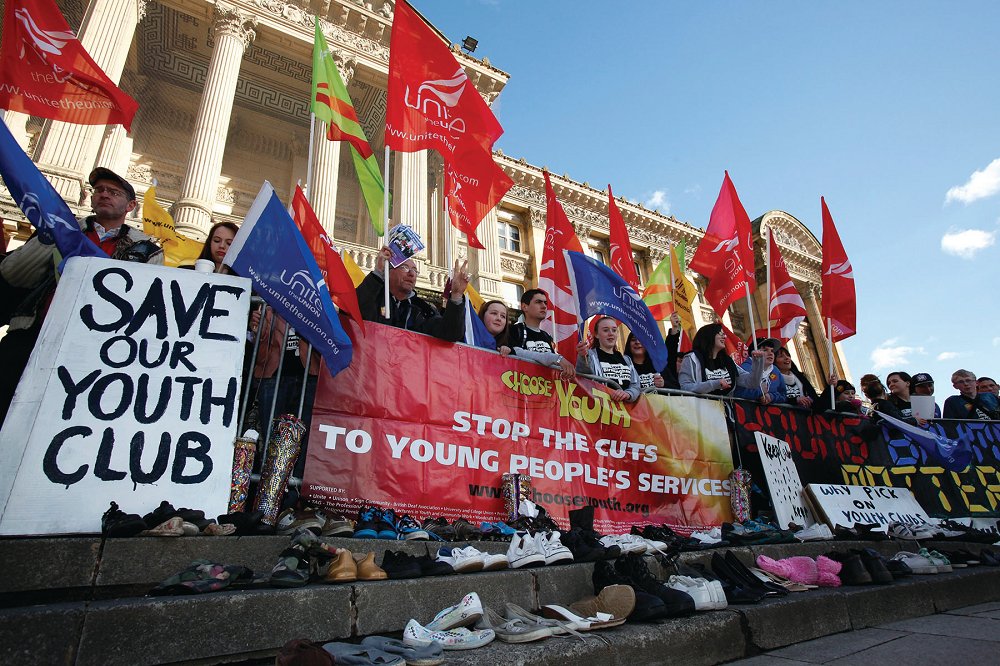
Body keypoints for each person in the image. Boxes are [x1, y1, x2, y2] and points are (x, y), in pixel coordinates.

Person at [0, 167, 164, 427]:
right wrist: (52, 238)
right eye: (99, 190)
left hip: (92, 351)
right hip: (33, 335)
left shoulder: (146, 251)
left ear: (131, 205)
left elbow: (144, 307)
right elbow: (14, 274)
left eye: (113, 192)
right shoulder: (62, 230)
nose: (104, 195)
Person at [355, 246, 466, 342]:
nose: (412, 274)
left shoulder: (423, 310)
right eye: (405, 268)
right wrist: (378, 272)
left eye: (414, 270)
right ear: (388, 272)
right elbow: (355, 309)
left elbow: (450, 333)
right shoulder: (374, 298)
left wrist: (456, 296)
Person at [477, 299, 574, 379]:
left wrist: (557, 358)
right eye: (494, 313)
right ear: (482, 315)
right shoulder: (470, 336)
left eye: (503, 316)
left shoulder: (511, 347)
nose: (498, 318)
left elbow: (531, 355)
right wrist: (460, 295)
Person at [678, 323, 765, 396]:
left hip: (726, 413)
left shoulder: (727, 361)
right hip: (702, 412)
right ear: (709, 336)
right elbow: (685, 387)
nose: (724, 337)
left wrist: (758, 363)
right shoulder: (692, 358)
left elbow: (751, 383)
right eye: (720, 333)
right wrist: (714, 384)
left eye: (724, 334)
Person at [576, 316, 641, 402]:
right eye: (606, 330)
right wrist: (582, 357)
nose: (611, 333)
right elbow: (582, 376)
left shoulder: (626, 360)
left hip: (625, 413)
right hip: (600, 410)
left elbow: (636, 386)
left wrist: (628, 394)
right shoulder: (590, 356)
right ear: (596, 334)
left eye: (614, 330)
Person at [734, 337, 786, 404]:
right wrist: (759, 393)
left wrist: (771, 397)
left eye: (772, 351)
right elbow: (737, 393)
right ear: (754, 353)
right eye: (765, 350)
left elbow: (783, 395)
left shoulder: (776, 371)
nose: (771, 353)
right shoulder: (744, 369)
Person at [508, 288, 557, 354]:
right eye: (538, 302)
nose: (544, 306)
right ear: (525, 307)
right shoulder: (514, 330)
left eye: (545, 303)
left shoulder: (547, 336)